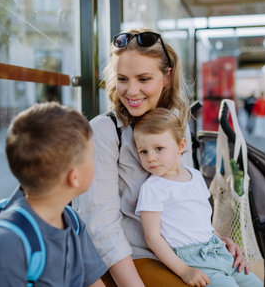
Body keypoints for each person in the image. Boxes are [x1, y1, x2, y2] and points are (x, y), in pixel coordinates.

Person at [72, 28, 249, 286]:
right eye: (123, 79)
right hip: (134, 259)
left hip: (186, 253)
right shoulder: (104, 131)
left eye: (144, 79)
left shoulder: (175, 123)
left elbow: (184, 197)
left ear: (166, 77)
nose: (132, 91)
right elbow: (102, 228)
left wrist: (213, 242)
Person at [0, 102, 107, 287]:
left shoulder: (72, 221)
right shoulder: (6, 244)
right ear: (74, 176)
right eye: (91, 156)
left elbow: (94, 282)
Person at [133, 108, 263, 287]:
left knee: (255, 284)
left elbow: (202, 220)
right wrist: (183, 270)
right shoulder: (153, 188)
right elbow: (153, 238)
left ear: (180, 146)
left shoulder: (195, 176)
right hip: (192, 259)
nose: (151, 158)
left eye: (158, 149)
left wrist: (221, 239)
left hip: (216, 249)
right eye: (143, 151)